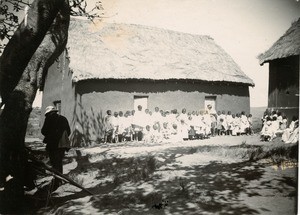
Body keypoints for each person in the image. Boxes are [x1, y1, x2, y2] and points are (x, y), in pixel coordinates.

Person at [41, 106, 70, 190]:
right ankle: (59, 179)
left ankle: (56, 181)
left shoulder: (48, 119)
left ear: (48, 113)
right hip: (62, 144)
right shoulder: (63, 118)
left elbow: (43, 131)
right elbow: (68, 131)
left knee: (54, 162)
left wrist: (51, 136)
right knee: (59, 162)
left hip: (52, 144)